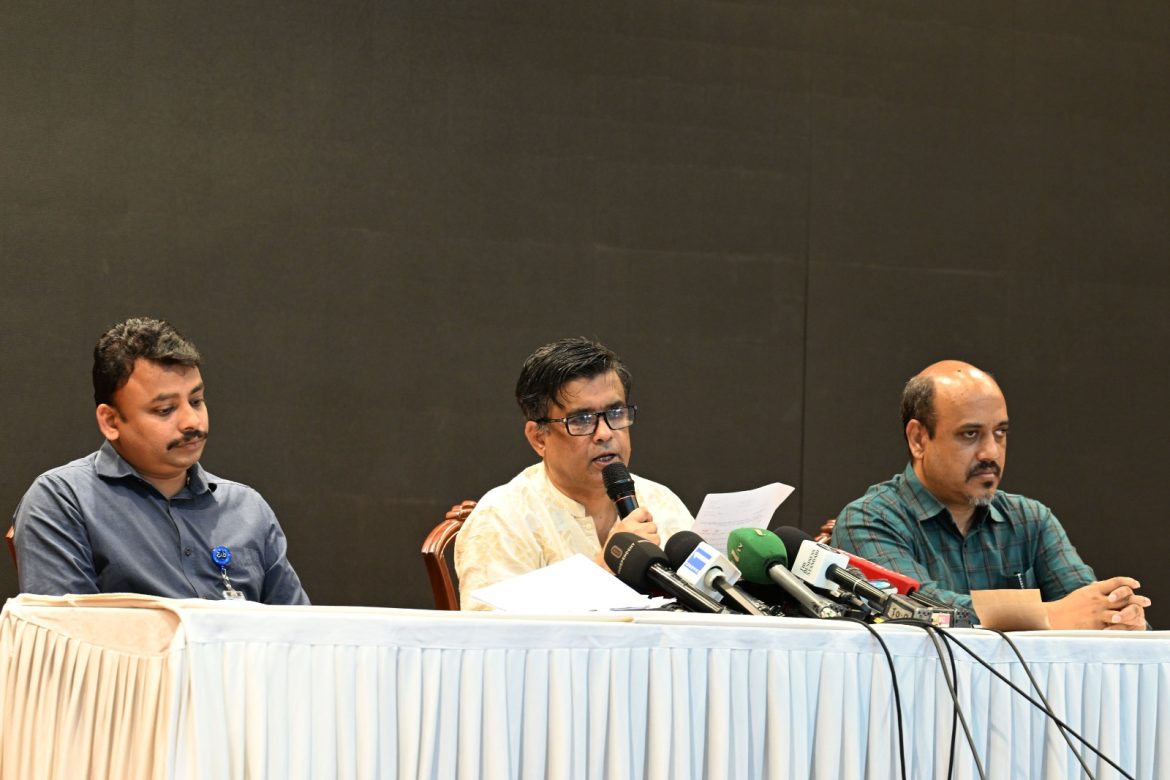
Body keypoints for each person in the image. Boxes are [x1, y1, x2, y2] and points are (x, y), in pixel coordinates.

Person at [833, 360, 1149, 630]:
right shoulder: (869, 520)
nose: (991, 452)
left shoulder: (1031, 521)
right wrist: (1048, 615)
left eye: (1000, 433)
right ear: (918, 439)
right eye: (970, 434)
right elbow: (916, 609)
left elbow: (1086, 604)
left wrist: (1117, 616)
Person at [12, 317, 309, 604]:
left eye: (196, 401)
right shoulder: (64, 500)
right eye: (165, 410)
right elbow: (69, 631)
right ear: (111, 421)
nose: (192, 421)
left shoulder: (247, 508)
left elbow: (300, 629)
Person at [454, 337, 693, 610]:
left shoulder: (661, 501)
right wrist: (605, 567)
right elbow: (493, 629)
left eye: (616, 412)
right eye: (581, 420)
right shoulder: (502, 518)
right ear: (539, 438)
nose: (605, 434)